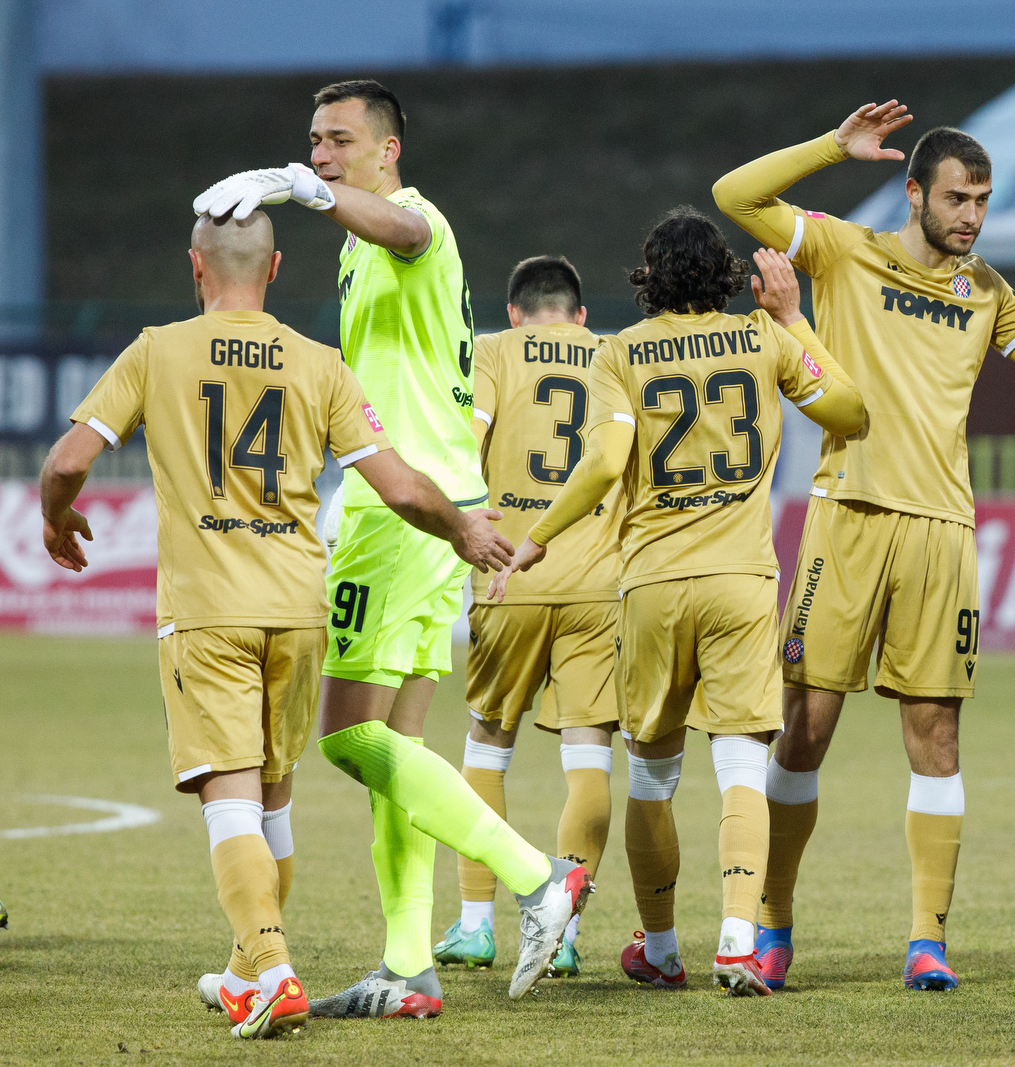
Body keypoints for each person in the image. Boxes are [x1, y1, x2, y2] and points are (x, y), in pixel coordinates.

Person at [38, 212, 510, 1039]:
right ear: (277, 266)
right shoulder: (319, 362)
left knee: (227, 799)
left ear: (196, 267)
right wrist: (466, 529)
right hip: (298, 611)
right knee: (273, 801)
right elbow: (400, 485)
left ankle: (276, 970)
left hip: (208, 611)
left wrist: (54, 516)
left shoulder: (158, 348)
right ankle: (243, 967)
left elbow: (69, 461)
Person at [193, 79, 587, 1016]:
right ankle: (409, 963)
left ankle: (537, 879)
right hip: (433, 498)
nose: (322, 154)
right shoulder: (359, 252)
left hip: (402, 509)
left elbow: (406, 232)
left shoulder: (412, 220)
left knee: (346, 736)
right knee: (394, 746)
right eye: (312, 143)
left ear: (387, 151)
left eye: (337, 142)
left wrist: (304, 190)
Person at [713, 100, 1015, 991]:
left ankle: (928, 937)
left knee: (937, 734)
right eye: (957, 198)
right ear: (913, 193)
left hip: (943, 532)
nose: (971, 215)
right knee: (803, 729)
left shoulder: (986, 293)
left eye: (983, 200)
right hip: (848, 518)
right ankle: (772, 923)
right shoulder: (847, 250)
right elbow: (734, 193)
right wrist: (828, 149)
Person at [492, 210, 864, 996]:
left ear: (649, 277)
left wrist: (538, 537)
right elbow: (852, 410)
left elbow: (600, 466)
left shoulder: (621, 353)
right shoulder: (762, 340)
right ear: (724, 274)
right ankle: (736, 938)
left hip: (654, 584)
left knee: (653, 779)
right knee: (739, 765)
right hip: (740, 582)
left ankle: (659, 946)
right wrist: (793, 317)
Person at [431, 255, 623, 978]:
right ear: (578, 314)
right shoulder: (610, 353)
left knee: (487, 743)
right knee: (590, 755)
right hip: (597, 578)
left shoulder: (491, 350)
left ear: (515, 313)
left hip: (508, 569)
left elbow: (465, 440)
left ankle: (476, 923)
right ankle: (564, 930)